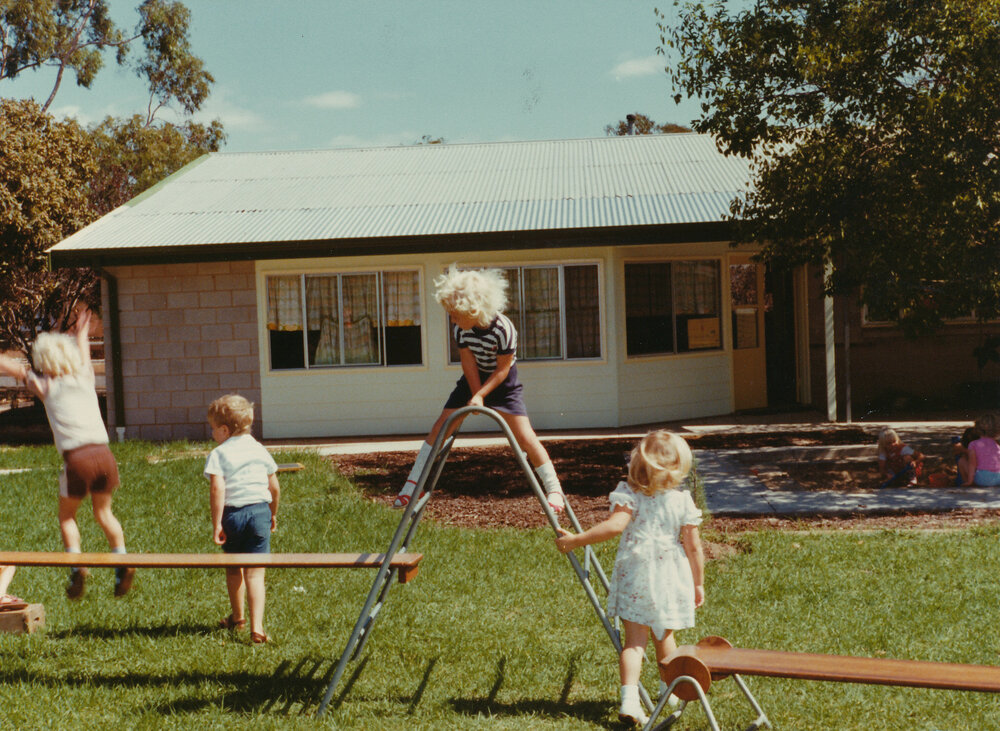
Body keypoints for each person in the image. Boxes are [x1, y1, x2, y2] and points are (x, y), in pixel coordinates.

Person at [554, 430, 705, 726]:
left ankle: (629, 701)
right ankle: (669, 692)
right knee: (665, 636)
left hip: (636, 572)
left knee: (634, 643)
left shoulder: (629, 493)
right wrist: (698, 582)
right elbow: (694, 546)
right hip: (669, 576)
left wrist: (578, 539)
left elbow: (614, 527)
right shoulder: (682, 501)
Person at [394, 266, 566, 513]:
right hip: (473, 379)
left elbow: (503, 370)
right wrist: (475, 394)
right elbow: (468, 362)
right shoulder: (461, 328)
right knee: (441, 427)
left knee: (525, 437)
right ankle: (412, 486)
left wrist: (481, 395)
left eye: (455, 314)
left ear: (473, 310)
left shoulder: (504, 329)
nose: (452, 319)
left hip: (502, 382)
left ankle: (554, 490)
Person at [0, 308, 134, 600]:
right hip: (105, 456)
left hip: (77, 460)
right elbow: (84, 352)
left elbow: (17, 371)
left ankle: (77, 566)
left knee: (67, 516)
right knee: (104, 512)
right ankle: (121, 560)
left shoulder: (46, 386)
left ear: (44, 362)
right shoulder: (85, 375)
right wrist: (82, 332)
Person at [205, 394, 280, 644]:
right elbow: (274, 486)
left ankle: (238, 618)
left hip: (233, 515)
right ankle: (257, 628)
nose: (213, 433)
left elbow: (217, 489)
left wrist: (217, 523)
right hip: (260, 512)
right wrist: (273, 513)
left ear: (224, 430)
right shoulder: (259, 449)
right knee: (256, 573)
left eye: (214, 429)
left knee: (234, 567)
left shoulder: (219, 453)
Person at [963, 413, 1000, 487]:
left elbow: (972, 464)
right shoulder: (997, 445)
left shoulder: (973, 444)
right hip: (998, 478)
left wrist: (970, 481)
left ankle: (969, 482)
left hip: (982, 479)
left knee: (962, 461)